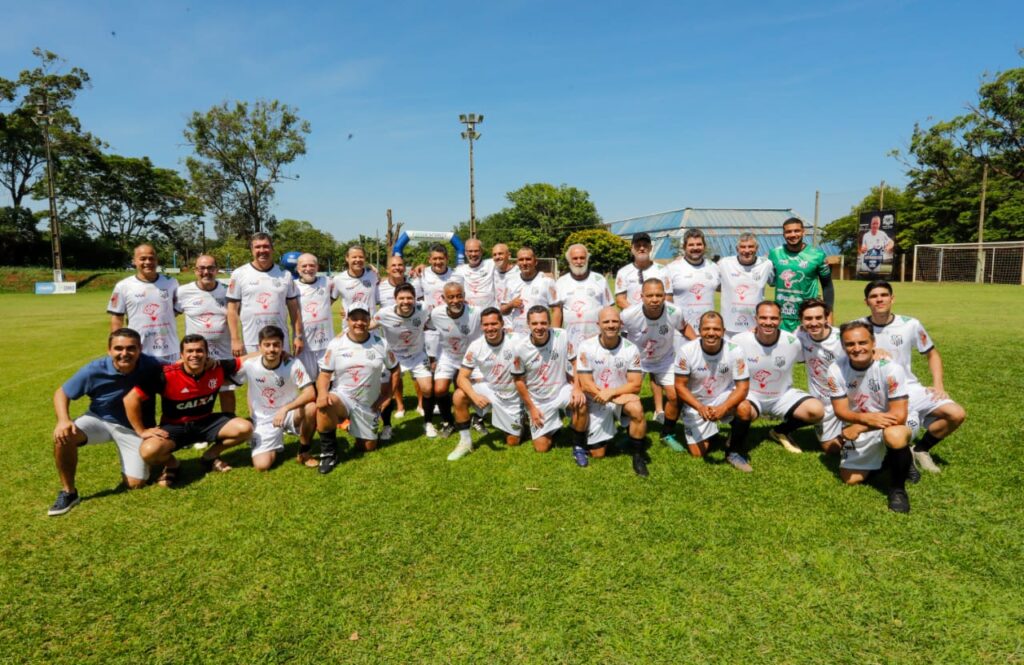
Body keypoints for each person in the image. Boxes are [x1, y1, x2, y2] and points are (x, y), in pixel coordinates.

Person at [47, 328, 163, 516]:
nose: (124, 353)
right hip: (99, 420)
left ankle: (149, 459)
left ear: (140, 349)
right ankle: (69, 492)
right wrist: (63, 420)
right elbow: (62, 392)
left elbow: (178, 369)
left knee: (135, 484)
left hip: (132, 428)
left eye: (131, 348)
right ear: (109, 350)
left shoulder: (150, 365)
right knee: (64, 436)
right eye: (118, 348)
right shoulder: (94, 370)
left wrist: (207, 362)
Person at [861, 280, 966, 473]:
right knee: (904, 427)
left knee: (956, 414)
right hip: (878, 394)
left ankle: (921, 450)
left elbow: (932, 354)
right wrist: (871, 352)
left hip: (909, 388)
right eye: (874, 297)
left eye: (884, 295)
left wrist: (938, 385)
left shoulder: (910, 324)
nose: (879, 300)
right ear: (866, 301)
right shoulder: (858, 326)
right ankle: (899, 455)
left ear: (892, 298)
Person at [126, 335, 254, 488]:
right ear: (182, 355)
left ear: (207, 354)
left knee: (245, 428)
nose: (194, 355)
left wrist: (280, 353)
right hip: (174, 427)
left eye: (199, 351)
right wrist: (141, 431)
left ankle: (210, 457)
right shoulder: (166, 375)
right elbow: (130, 399)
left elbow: (246, 359)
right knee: (148, 451)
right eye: (189, 351)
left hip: (206, 422)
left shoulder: (217, 367)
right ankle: (173, 465)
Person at [825, 321, 913, 513]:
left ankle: (897, 489)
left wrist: (861, 426)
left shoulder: (890, 368)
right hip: (862, 421)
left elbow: (899, 415)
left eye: (862, 342)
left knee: (895, 436)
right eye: (850, 344)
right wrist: (865, 420)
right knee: (851, 479)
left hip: (892, 422)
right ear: (843, 346)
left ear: (873, 342)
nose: (857, 348)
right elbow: (840, 411)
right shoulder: (835, 369)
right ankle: (896, 460)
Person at [731, 301, 825, 456]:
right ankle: (735, 436)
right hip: (751, 395)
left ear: (780, 319)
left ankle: (779, 431)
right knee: (742, 409)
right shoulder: (739, 340)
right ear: (756, 318)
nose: (768, 322)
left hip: (782, 396)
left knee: (816, 410)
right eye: (764, 318)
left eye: (773, 318)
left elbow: (817, 344)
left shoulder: (792, 342)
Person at [315, 306, 398, 474]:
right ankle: (329, 454)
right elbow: (324, 375)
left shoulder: (381, 343)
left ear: (369, 320)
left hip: (368, 404)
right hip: (343, 397)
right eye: (354, 319)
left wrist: (387, 396)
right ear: (348, 321)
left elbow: (395, 369)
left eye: (363, 318)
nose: (359, 322)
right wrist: (323, 393)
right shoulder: (336, 343)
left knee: (367, 448)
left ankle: (351, 425)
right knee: (325, 404)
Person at [673, 311, 752, 471]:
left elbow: (743, 387)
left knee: (744, 407)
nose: (711, 333)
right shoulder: (686, 350)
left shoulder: (735, 350)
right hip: (697, 403)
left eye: (716, 329)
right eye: (706, 328)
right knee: (698, 454)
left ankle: (733, 451)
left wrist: (723, 408)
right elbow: (680, 386)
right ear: (699, 330)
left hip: (722, 398)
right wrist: (700, 408)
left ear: (723, 331)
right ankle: (712, 433)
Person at [575, 306, 649, 476]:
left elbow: (636, 385)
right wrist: (605, 395)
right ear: (598, 324)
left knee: (637, 408)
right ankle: (595, 435)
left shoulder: (631, 349)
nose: (611, 325)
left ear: (621, 324)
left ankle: (638, 456)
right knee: (598, 454)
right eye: (606, 322)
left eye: (614, 321)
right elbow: (586, 384)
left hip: (618, 397)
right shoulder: (586, 347)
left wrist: (612, 393)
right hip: (596, 399)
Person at [620, 278, 694, 445]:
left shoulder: (675, 311)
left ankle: (667, 434)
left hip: (664, 359)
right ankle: (627, 433)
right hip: (636, 360)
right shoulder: (628, 314)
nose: (655, 299)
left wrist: (698, 343)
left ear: (664, 296)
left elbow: (684, 328)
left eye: (659, 295)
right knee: (627, 396)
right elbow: (620, 336)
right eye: (650, 295)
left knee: (675, 397)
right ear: (642, 296)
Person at [234, 326, 317, 470]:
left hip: (290, 413)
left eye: (276, 345)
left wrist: (285, 409)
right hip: (264, 419)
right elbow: (226, 372)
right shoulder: (250, 365)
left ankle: (304, 451)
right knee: (262, 465)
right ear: (259, 347)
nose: (272, 349)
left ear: (282, 346)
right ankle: (270, 436)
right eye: (267, 345)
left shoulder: (292, 364)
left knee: (311, 407)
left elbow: (310, 393)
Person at [512, 306, 589, 460]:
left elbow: (575, 363)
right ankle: (553, 423)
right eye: (534, 324)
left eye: (543, 323)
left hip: (561, 390)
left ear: (549, 323)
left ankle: (579, 445)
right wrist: (532, 408)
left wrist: (577, 388)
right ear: (528, 324)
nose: (539, 327)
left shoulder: (562, 335)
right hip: (538, 400)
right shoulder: (520, 348)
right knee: (542, 447)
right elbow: (518, 381)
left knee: (581, 402)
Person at [447, 308, 523, 460]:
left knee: (512, 442)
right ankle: (465, 442)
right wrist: (474, 396)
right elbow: (461, 378)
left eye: (494, 323)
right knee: (459, 395)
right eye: (486, 325)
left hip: (514, 394)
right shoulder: (476, 346)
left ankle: (521, 421)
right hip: (490, 388)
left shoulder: (517, 340)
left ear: (502, 323)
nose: (490, 328)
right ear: (481, 326)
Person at [176, 254, 236, 413]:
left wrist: (238, 341)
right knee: (196, 391)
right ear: (195, 270)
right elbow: (169, 316)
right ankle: (197, 427)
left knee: (226, 390)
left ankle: (229, 422)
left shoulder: (227, 290)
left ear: (216, 270)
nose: (206, 272)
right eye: (202, 268)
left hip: (224, 350)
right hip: (196, 353)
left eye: (210, 268)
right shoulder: (183, 292)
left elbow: (239, 314)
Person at [371, 283, 433, 439]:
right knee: (386, 392)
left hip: (417, 355)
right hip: (393, 357)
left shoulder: (423, 308)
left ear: (415, 298)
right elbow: (368, 325)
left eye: (409, 298)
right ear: (395, 299)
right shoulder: (384, 313)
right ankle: (386, 427)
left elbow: (438, 313)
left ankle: (428, 423)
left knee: (427, 388)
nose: (406, 301)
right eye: (401, 298)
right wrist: (344, 333)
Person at [226, 233, 304, 355]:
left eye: (266, 246)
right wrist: (235, 339)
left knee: (282, 374)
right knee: (253, 374)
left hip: (279, 341)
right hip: (251, 341)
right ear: (251, 250)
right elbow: (232, 310)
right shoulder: (239, 274)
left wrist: (298, 336)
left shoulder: (285, 274)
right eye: (257, 247)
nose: (262, 250)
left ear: (272, 249)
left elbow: (294, 310)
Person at [107, 243, 180, 362]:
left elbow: (176, 310)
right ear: (134, 261)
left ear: (156, 260)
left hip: (170, 350)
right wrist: (115, 345)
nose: (148, 262)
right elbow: (117, 318)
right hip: (138, 351)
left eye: (151, 258)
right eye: (143, 258)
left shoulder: (171, 282)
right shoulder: (123, 286)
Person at [427, 282, 482, 437]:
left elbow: (491, 326)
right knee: (439, 389)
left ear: (464, 296)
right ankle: (448, 422)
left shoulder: (476, 312)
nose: (455, 300)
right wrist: (432, 357)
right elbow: (429, 331)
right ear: (444, 298)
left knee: (481, 388)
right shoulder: (436, 313)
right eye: (451, 297)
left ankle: (478, 419)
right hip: (449, 356)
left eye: (459, 296)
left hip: (472, 358)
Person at [794, 299, 846, 456]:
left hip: (848, 399)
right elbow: (776, 340)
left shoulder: (841, 338)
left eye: (818, 318)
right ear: (801, 320)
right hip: (823, 403)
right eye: (808, 319)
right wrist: (756, 332)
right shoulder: (799, 336)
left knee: (862, 440)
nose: (814, 323)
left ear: (826, 318)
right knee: (832, 450)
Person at [768, 217, 834, 332]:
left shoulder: (817, 255)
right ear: (783, 234)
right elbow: (770, 281)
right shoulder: (775, 254)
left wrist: (829, 313)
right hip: (782, 318)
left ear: (804, 232)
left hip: (809, 317)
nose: (793, 235)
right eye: (788, 231)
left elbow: (827, 286)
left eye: (796, 231)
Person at [554, 243, 614, 350]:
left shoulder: (599, 280)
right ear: (569, 261)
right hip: (570, 343)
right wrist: (554, 341)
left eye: (582, 258)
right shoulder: (560, 282)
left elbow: (609, 310)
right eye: (575, 258)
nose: (579, 262)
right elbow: (557, 313)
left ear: (587, 259)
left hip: (598, 342)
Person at [717, 233, 774, 337]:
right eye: (743, 247)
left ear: (757, 248)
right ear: (737, 249)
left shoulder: (767, 264)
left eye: (751, 246)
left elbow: (775, 282)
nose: (747, 251)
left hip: (755, 327)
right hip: (729, 327)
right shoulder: (724, 263)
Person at [666, 228, 721, 330]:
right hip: (681, 331)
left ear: (704, 246)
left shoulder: (714, 267)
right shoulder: (671, 268)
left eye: (699, 244)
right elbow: (667, 302)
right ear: (684, 247)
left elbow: (726, 290)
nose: (695, 248)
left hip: (708, 331)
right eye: (691, 245)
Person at [294, 252, 338, 379]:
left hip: (327, 344)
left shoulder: (327, 282)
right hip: (305, 345)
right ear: (298, 269)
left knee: (328, 381)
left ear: (317, 267)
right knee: (308, 383)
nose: (308, 269)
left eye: (312, 265)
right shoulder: (293, 286)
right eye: (304, 266)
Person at [502, 246, 559, 336]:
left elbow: (557, 310)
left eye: (528, 259)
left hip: (541, 336)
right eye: (521, 260)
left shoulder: (547, 281)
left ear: (535, 261)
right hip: (518, 336)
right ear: (517, 262)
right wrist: (511, 304)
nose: (524, 263)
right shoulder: (510, 282)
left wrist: (556, 334)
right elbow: (503, 310)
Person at [417, 243, 456, 361]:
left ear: (447, 259)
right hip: (431, 330)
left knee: (453, 367)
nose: (438, 262)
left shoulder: (456, 275)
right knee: (432, 367)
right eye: (435, 258)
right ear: (429, 259)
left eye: (441, 258)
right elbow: (413, 297)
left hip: (452, 329)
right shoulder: (422, 274)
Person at [615, 231, 671, 309]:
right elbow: (620, 300)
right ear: (632, 249)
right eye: (638, 246)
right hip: (633, 319)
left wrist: (654, 314)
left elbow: (669, 297)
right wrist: (638, 314)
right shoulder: (623, 272)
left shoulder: (663, 270)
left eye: (645, 245)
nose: (641, 248)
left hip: (657, 317)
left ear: (650, 248)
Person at [333, 244, 378, 319]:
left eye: (361, 257)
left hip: (371, 327)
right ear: (347, 258)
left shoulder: (373, 275)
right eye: (354, 257)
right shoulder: (338, 279)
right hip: (349, 327)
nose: (358, 259)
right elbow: (328, 302)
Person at [452, 238, 497, 308]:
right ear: (465, 253)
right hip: (470, 314)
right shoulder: (460, 270)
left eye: (476, 251)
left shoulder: (491, 264)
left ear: (481, 252)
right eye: (470, 251)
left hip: (489, 314)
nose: (473, 254)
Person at [491, 242, 520, 315]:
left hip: (515, 318)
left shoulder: (518, 272)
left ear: (509, 255)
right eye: (494, 255)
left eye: (500, 254)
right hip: (498, 319)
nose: (497, 257)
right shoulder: (491, 271)